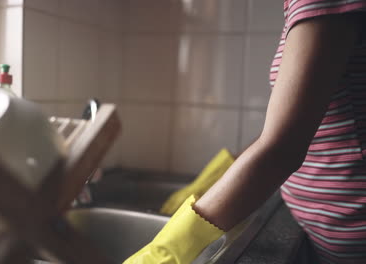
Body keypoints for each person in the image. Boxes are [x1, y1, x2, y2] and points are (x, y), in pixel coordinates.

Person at [123, 1, 366, 263]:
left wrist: (165, 252)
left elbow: (280, 149)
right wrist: (212, 179)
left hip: (352, 234)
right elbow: (291, 129)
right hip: (332, 232)